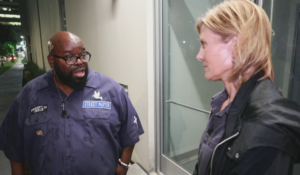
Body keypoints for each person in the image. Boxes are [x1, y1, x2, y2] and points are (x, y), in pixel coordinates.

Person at [0, 31, 144, 175]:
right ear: (51, 61)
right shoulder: (30, 94)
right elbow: (14, 146)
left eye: (82, 55)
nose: (79, 62)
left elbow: (130, 132)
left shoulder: (111, 90)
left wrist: (123, 165)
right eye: (69, 57)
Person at [193, 0, 300, 175]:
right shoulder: (222, 102)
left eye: (204, 44)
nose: (199, 55)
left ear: (236, 44)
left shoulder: (266, 130)